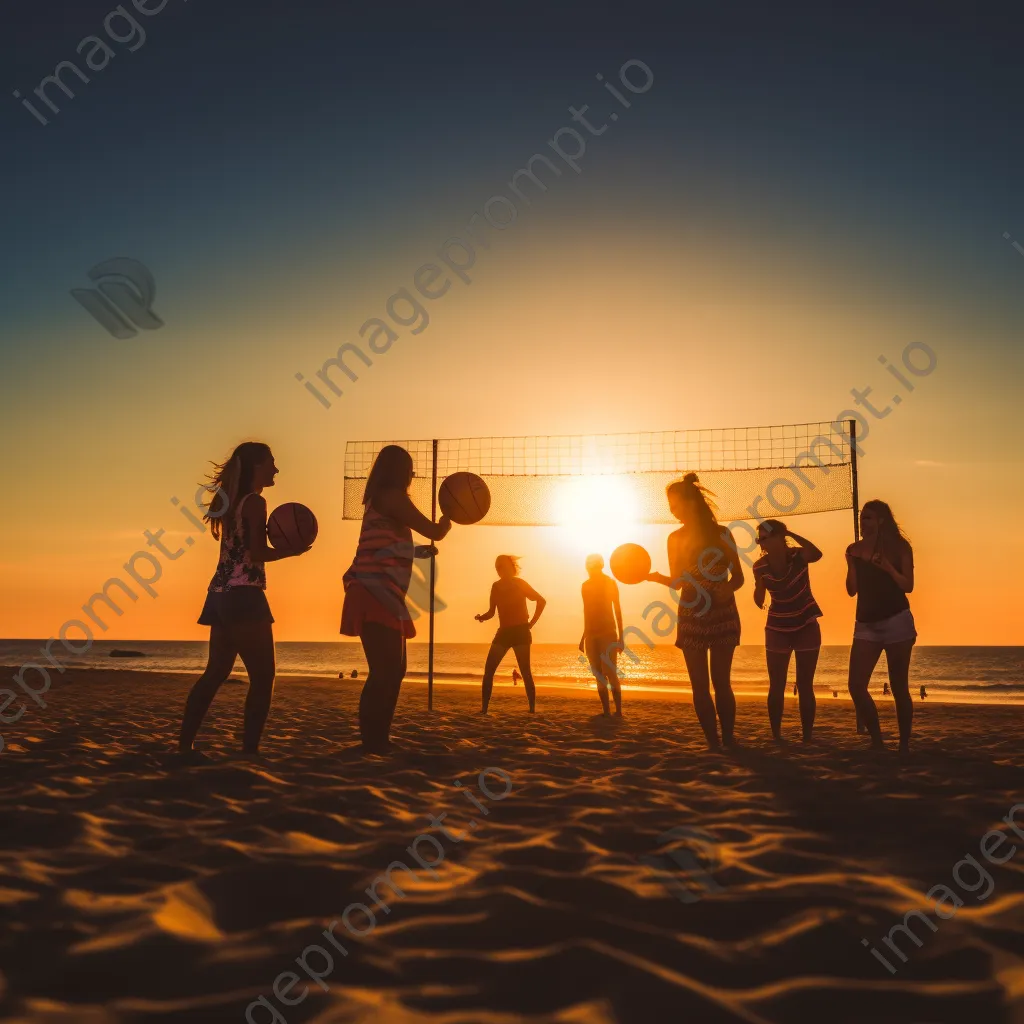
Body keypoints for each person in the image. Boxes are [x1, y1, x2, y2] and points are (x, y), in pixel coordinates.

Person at [179, 442, 311, 757]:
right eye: (272, 463)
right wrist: (291, 551)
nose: (276, 469)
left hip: (219, 595)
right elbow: (255, 553)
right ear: (257, 467)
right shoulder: (254, 502)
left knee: (215, 673)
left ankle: (185, 744)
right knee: (264, 677)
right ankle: (249, 752)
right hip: (244, 594)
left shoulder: (231, 501)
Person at [341, 445, 451, 753]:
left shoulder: (381, 499)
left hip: (381, 591)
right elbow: (433, 530)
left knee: (392, 671)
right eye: (410, 469)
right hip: (375, 591)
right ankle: (372, 742)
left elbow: (383, 545)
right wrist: (448, 519)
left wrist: (415, 551)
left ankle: (378, 740)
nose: (413, 474)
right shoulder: (392, 496)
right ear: (401, 471)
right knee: (384, 672)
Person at [646, 473, 744, 749]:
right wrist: (656, 578)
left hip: (723, 612)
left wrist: (729, 588)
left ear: (690, 502)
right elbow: (678, 582)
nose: (672, 510)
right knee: (699, 686)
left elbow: (738, 577)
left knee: (721, 683)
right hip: (691, 613)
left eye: (674, 503)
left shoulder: (723, 534)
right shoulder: (674, 538)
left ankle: (728, 738)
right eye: (670, 505)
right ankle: (713, 743)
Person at [845, 500, 917, 753]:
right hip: (866, 624)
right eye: (862, 518)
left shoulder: (899, 547)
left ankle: (904, 744)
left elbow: (908, 585)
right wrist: (851, 564)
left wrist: (887, 566)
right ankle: (877, 741)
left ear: (881, 521)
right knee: (855, 685)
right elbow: (851, 590)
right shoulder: (853, 549)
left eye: (868, 518)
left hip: (897, 621)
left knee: (899, 687)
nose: (863, 523)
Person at [753, 519, 823, 743]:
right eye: (759, 539)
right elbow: (758, 600)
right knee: (777, 685)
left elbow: (817, 553)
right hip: (777, 626)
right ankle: (776, 735)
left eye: (765, 538)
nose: (761, 543)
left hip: (806, 623)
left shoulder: (798, 556)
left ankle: (808, 736)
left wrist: (789, 532)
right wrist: (759, 589)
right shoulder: (760, 566)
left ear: (778, 537)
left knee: (805, 684)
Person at [475, 555, 546, 713]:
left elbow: (541, 601)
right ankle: (484, 709)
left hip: (521, 631)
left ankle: (532, 709)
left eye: (502, 566)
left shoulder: (520, 583)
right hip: (504, 632)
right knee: (489, 671)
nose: (499, 569)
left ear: (511, 567)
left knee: (525, 672)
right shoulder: (495, 586)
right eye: (497, 567)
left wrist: (532, 623)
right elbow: (491, 611)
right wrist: (482, 617)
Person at [579, 553, 624, 716]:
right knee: (597, 674)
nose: (589, 568)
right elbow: (587, 611)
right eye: (588, 565)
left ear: (600, 566)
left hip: (607, 633)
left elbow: (617, 609)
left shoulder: (610, 583)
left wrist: (622, 637)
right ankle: (606, 711)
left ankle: (618, 711)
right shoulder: (585, 585)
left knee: (611, 672)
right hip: (591, 634)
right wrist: (583, 637)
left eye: (592, 565)